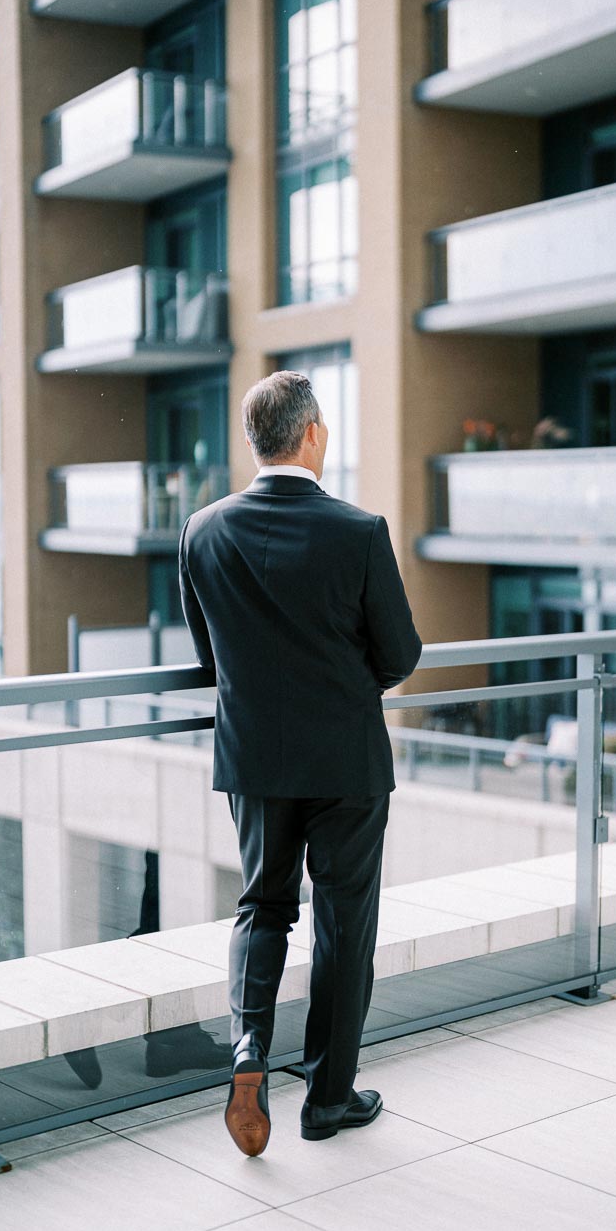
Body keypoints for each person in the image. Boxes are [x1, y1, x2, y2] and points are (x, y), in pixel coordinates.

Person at [178, 370, 422, 1156]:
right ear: (312, 433)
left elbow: (209, 655)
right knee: (343, 924)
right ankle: (328, 1097)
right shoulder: (358, 531)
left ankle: (249, 1047)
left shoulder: (202, 531)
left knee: (263, 907)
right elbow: (401, 654)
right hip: (346, 757)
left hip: (253, 755)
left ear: (259, 442)